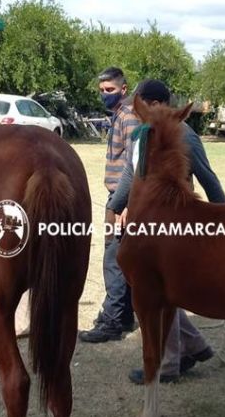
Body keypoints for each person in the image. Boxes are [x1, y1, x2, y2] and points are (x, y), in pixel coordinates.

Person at [108, 79, 225, 384]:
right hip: (144, 224)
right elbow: (129, 176)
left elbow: (209, 180)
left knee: (163, 290)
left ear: (157, 104)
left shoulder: (186, 134)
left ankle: (170, 363)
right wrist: (116, 207)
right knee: (155, 288)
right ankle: (195, 346)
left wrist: (224, 222)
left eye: (142, 106)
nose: (138, 113)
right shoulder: (142, 134)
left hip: (177, 224)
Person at [78, 67, 141, 343]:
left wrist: (125, 205)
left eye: (110, 90)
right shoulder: (118, 115)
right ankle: (124, 315)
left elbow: (136, 164)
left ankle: (113, 321)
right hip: (117, 198)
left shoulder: (129, 118)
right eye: (102, 90)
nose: (104, 95)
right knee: (120, 259)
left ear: (123, 90)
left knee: (113, 260)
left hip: (122, 200)